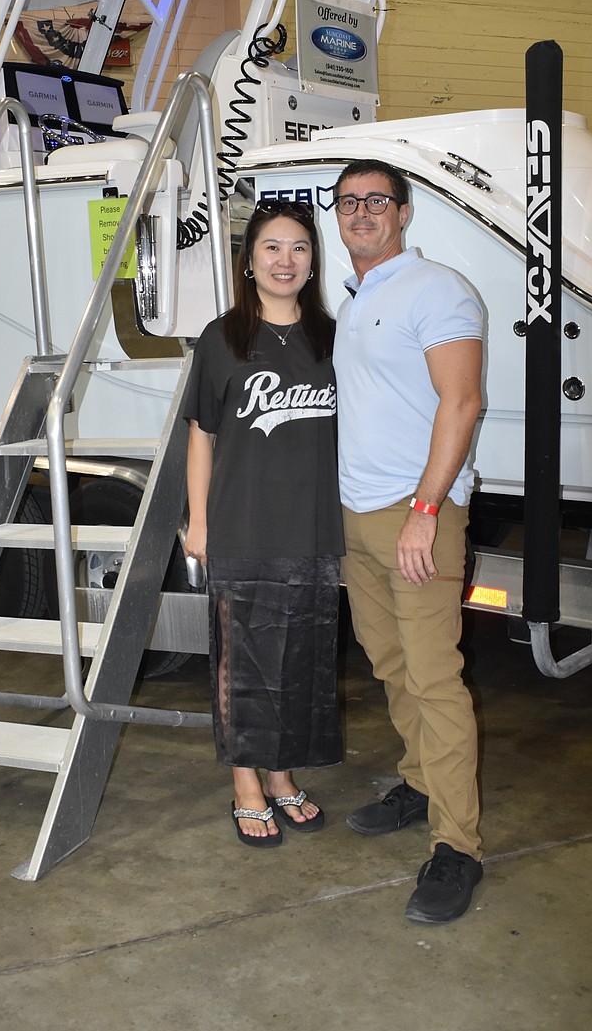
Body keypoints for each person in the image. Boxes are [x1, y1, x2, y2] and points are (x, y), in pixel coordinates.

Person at [332, 158, 485, 922]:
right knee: (389, 661)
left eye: (375, 201)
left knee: (433, 677)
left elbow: (463, 400)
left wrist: (427, 506)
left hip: (415, 515)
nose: (361, 212)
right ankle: (420, 780)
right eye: (348, 201)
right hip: (359, 517)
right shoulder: (357, 297)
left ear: (404, 210)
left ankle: (458, 846)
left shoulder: (439, 289)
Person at [183, 199, 344, 847]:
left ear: (313, 262)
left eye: (299, 247)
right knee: (244, 663)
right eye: (271, 247)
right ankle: (246, 781)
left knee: (302, 659)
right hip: (243, 526)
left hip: (313, 531)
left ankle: (281, 772)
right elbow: (202, 436)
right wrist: (198, 521)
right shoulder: (221, 339)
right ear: (248, 261)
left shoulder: (334, 338)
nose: (285, 259)